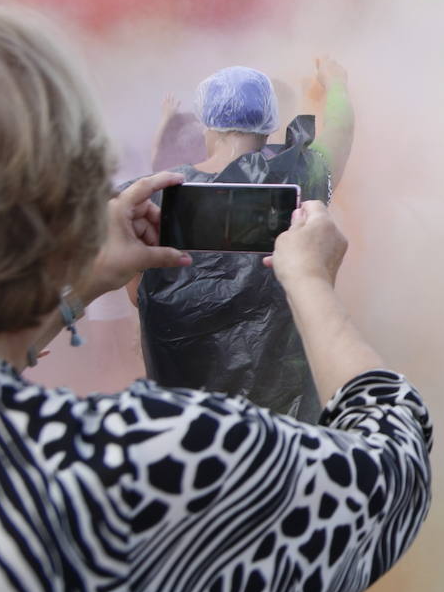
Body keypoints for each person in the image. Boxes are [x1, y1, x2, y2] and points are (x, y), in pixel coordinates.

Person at [0, 0, 432, 592]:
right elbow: (393, 473)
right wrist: (310, 282)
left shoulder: (164, 195)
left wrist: (87, 287)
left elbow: (132, 301)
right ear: (50, 222)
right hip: (279, 422)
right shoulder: (145, 459)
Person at [133, 59, 354, 423]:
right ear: (270, 123)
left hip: (186, 422)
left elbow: (139, 295)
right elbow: (341, 130)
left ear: (206, 122)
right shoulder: (302, 176)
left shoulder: (154, 195)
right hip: (285, 424)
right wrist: (337, 84)